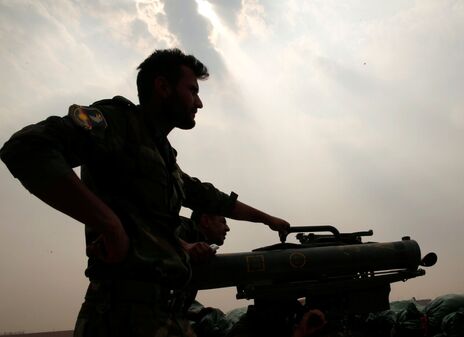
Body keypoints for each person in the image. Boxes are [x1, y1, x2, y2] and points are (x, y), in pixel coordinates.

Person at [0, 48, 290, 337]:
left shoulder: (164, 157)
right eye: (192, 90)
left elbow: (209, 197)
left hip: (164, 313)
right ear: (163, 87)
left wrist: (268, 219)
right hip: (120, 315)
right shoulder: (118, 123)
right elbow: (27, 147)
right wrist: (109, 225)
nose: (199, 102)